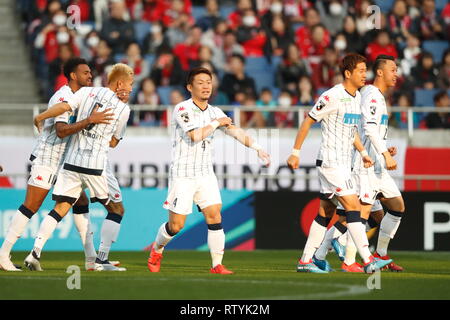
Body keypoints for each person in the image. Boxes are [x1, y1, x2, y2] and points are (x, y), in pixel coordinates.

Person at [147, 67, 271, 274]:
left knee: (214, 215)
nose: (206, 86)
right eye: (201, 82)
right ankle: (157, 249)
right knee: (176, 226)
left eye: (209, 82)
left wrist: (257, 148)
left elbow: (235, 131)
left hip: (205, 172)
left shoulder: (215, 112)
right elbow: (196, 135)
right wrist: (216, 123)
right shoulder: (182, 109)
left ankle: (217, 265)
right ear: (190, 87)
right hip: (183, 173)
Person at [0, 58, 114, 271]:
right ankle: (3, 254)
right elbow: (61, 130)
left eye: (90, 73)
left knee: (81, 203)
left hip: (67, 162)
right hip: (48, 159)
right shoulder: (63, 96)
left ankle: (91, 259)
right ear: (73, 75)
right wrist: (90, 120)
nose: (90, 76)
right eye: (86, 73)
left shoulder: (82, 97)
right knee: (31, 206)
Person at [286, 53, 392, 273]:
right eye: (361, 71)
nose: (365, 75)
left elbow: (351, 131)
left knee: (325, 211)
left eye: (366, 70)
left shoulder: (356, 98)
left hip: (345, 163)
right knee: (353, 207)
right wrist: (295, 152)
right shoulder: (332, 95)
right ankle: (367, 260)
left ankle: (307, 260)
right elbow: (308, 121)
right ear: (348, 73)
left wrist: (363, 152)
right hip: (331, 161)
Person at [24, 63, 133, 272]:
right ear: (120, 83)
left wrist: (41, 116)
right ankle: (101, 260)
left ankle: (34, 253)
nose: (131, 88)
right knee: (117, 209)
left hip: (71, 162)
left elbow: (64, 107)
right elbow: (113, 142)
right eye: (130, 84)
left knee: (61, 208)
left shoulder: (86, 92)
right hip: (96, 166)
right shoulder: (123, 109)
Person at [318, 55, 406, 272]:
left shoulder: (376, 96)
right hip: (365, 165)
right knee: (358, 214)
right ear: (380, 72)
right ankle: (346, 260)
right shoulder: (371, 96)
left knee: (395, 207)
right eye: (393, 69)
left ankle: (378, 254)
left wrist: (385, 149)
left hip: (377, 165)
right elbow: (367, 128)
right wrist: (384, 153)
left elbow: (374, 130)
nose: (396, 74)